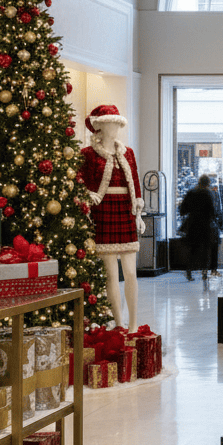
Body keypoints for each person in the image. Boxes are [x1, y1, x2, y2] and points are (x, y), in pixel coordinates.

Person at [79, 104, 145, 330]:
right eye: (110, 123)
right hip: (103, 210)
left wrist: (138, 213)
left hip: (126, 210)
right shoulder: (87, 154)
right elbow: (80, 180)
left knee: (130, 273)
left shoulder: (128, 153)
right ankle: (119, 322)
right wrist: (89, 196)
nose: (115, 128)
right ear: (99, 126)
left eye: (117, 123)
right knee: (110, 273)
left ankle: (134, 323)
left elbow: (134, 181)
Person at [179, 174, 218, 282]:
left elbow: (183, 209)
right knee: (206, 249)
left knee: (193, 249)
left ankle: (189, 271)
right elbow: (212, 211)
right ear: (208, 183)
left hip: (192, 224)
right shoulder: (208, 194)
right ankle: (204, 272)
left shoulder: (191, 192)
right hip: (205, 225)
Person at [209, 175, 223, 279]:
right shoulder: (215, 194)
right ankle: (213, 270)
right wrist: (221, 225)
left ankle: (204, 270)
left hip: (205, 226)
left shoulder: (204, 194)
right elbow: (218, 210)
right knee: (214, 249)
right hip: (213, 226)